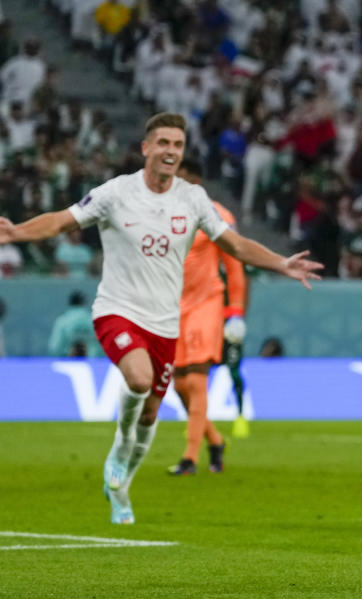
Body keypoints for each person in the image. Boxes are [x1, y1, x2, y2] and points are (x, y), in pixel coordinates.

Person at [0, 112, 323, 525]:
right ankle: (119, 449)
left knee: (151, 413)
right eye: (164, 143)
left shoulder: (192, 199)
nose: (171, 151)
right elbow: (61, 220)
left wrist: (281, 263)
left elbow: (236, 245)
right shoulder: (116, 193)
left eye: (178, 145)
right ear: (146, 148)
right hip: (117, 310)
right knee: (138, 378)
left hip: (164, 322)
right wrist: (16, 233)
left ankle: (121, 486)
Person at [167, 158, 247, 476]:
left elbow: (235, 264)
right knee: (178, 385)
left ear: (195, 180)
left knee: (197, 380)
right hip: (173, 308)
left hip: (207, 304)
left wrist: (235, 312)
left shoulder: (218, 216)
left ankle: (189, 457)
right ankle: (215, 440)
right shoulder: (164, 214)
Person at [47, 290, 100, 357]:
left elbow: (54, 347)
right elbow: (101, 345)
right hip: (92, 362)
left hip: (68, 363)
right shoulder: (92, 320)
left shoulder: (63, 321)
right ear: (84, 303)